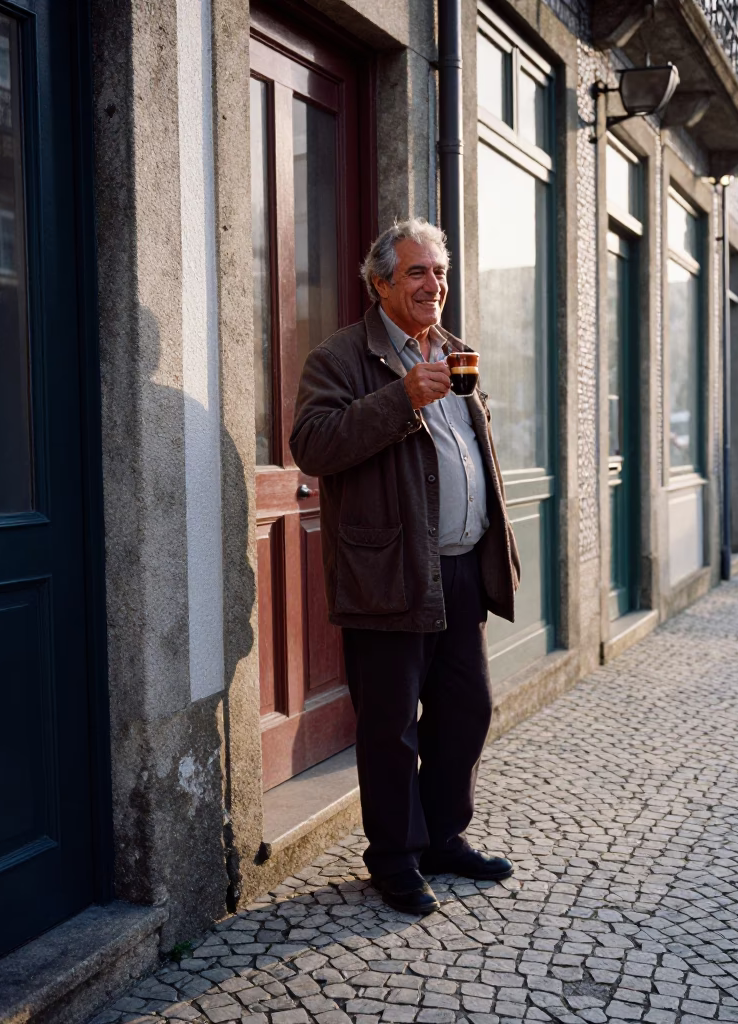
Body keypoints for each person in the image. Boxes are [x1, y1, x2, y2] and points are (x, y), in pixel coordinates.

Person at [291, 218, 521, 915]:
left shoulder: (455, 351)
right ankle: (394, 857)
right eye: (418, 272)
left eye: (441, 272)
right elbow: (312, 445)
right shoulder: (340, 357)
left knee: (466, 710)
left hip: (458, 570)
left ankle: (441, 837)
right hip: (388, 575)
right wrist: (401, 399)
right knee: (390, 727)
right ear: (380, 282)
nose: (434, 285)